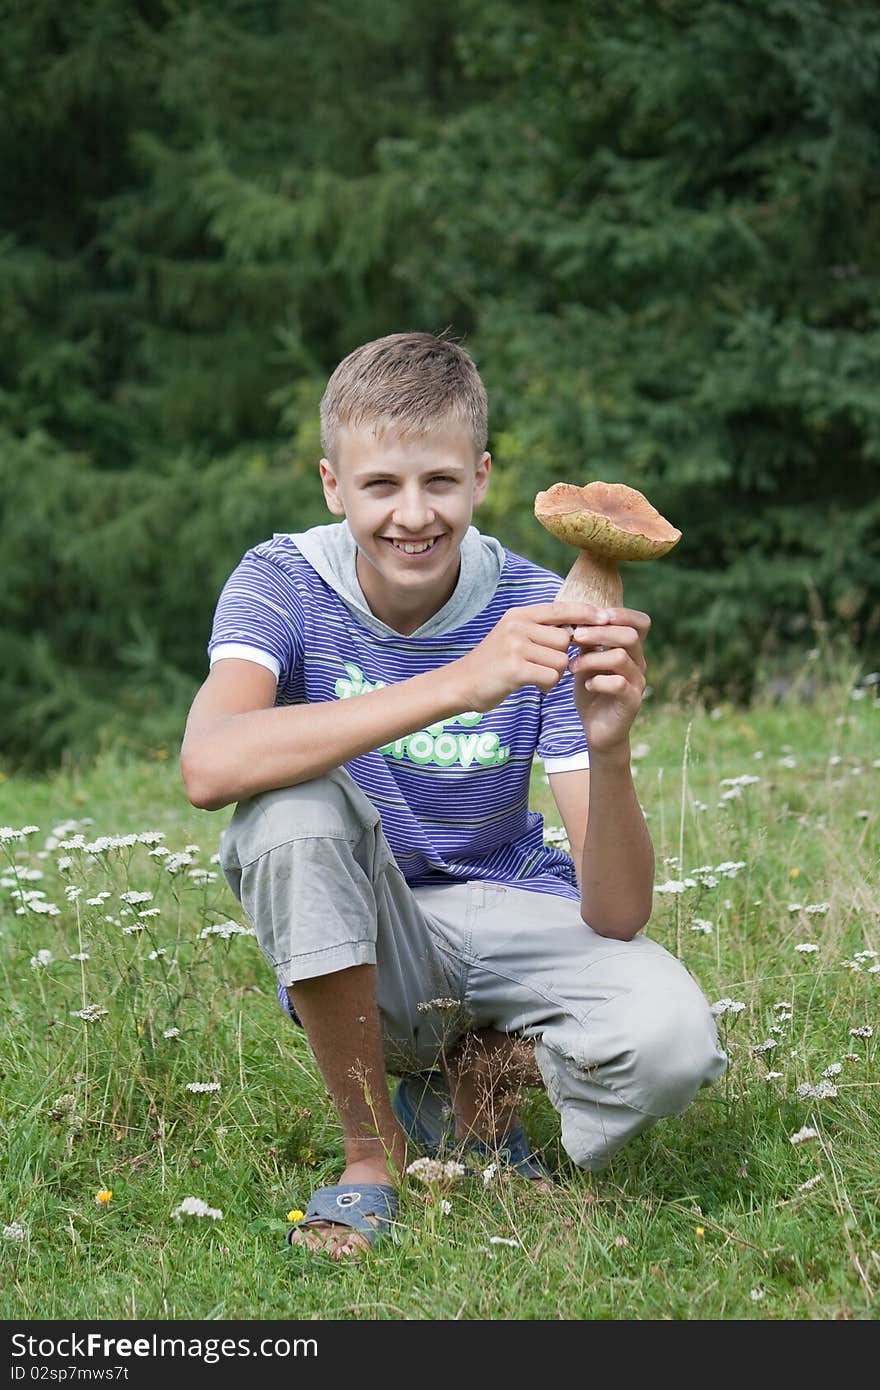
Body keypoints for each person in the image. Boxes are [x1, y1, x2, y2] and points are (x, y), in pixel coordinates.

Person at [180, 331, 727, 1259]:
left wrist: (611, 746)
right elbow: (209, 766)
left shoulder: (536, 600)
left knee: (672, 1043)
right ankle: (371, 1154)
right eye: (379, 486)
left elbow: (621, 913)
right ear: (331, 486)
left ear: (480, 478)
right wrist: (457, 683)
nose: (412, 514)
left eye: (439, 482)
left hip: (516, 907)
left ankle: (483, 1072)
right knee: (287, 808)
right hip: (372, 931)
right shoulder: (282, 581)